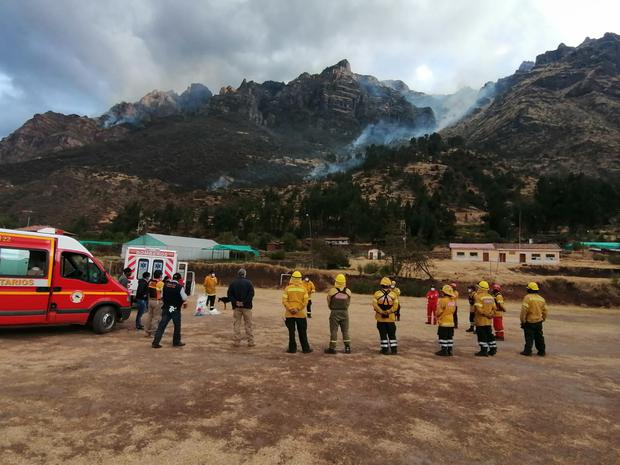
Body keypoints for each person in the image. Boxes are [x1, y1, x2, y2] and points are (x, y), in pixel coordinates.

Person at [152, 272, 187, 348]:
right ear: (179, 279)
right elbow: (184, 298)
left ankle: (155, 342)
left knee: (161, 326)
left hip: (166, 308)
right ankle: (176, 342)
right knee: (177, 326)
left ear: (173, 278)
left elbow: (161, 296)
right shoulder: (179, 287)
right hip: (175, 309)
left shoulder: (165, 285)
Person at [282, 270, 312, 353]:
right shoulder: (304, 289)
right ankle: (305, 349)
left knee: (291, 333)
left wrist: (290, 308)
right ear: (300, 279)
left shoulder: (287, 288)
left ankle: (292, 349)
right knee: (302, 332)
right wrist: (298, 309)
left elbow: (284, 300)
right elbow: (305, 302)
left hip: (289, 314)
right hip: (300, 314)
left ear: (292, 278)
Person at [227, 268, 256, 347]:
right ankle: (251, 342)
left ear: (238, 274)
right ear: (245, 274)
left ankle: (237, 342)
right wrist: (244, 302)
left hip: (236, 307)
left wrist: (236, 302)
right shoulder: (249, 283)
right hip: (247, 307)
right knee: (248, 324)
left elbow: (229, 295)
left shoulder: (233, 283)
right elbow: (251, 294)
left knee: (237, 324)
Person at [324, 273, 352, 354]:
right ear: (344, 282)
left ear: (336, 281)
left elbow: (329, 301)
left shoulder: (332, 291)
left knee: (333, 331)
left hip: (334, 312)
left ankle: (332, 348)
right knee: (345, 331)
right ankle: (347, 347)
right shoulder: (348, 291)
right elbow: (348, 302)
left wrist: (332, 308)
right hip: (345, 312)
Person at [373, 277, 399, 355]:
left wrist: (381, 312)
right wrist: (388, 312)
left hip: (380, 319)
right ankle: (394, 350)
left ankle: (385, 350)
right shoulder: (393, 294)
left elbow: (374, 305)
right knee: (392, 335)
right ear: (389, 285)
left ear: (381, 284)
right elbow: (396, 306)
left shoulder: (377, 294)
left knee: (383, 335)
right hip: (390, 319)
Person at [520, 282, 548, 356]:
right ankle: (542, 351)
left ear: (529, 289)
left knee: (529, 337)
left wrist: (523, 320)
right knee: (539, 337)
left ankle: (527, 351)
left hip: (529, 321)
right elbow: (545, 311)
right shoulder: (542, 299)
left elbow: (524, 310)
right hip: (539, 321)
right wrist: (543, 319)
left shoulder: (527, 297)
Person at [473, 280, 497, 356]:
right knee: (489, 334)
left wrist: (486, 314)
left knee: (482, 335)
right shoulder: (491, 297)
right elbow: (494, 308)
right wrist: (491, 315)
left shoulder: (478, 297)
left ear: (480, 288)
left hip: (481, 321)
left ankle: (483, 351)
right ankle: (493, 349)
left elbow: (479, 310)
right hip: (488, 321)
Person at [435, 285, 457, 356]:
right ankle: (449, 350)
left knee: (442, 336)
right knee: (449, 337)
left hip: (444, 322)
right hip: (451, 322)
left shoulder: (443, 300)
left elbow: (439, 311)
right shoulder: (453, 300)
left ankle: (444, 350)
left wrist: (437, 315)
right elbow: (454, 310)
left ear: (444, 292)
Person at [143, 270, 164, 337]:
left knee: (149, 316)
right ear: (160, 275)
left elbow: (148, 291)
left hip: (150, 300)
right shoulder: (160, 283)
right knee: (156, 317)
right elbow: (162, 293)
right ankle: (153, 332)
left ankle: (147, 332)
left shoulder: (150, 282)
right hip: (157, 301)